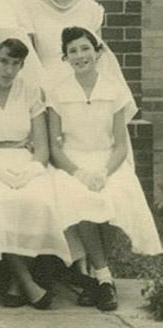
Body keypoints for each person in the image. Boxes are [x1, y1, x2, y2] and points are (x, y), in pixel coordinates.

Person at [47, 26, 162, 311]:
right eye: (72, 51)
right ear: (65, 58)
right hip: (72, 163)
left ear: (97, 52)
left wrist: (104, 173)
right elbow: (55, 147)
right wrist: (80, 174)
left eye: (85, 48)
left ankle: (99, 278)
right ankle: (103, 277)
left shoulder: (113, 91)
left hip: (109, 162)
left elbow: (121, 146)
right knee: (81, 198)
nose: (79, 55)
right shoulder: (58, 93)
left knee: (113, 197)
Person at [0, 29, 72, 309]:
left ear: (23, 65)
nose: (8, 70)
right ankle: (26, 282)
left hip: (25, 162)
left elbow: (43, 147)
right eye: (3, 61)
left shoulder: (31, 92)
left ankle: (15, 282)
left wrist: (31, 171)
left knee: (37, 199)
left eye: (15, 64)